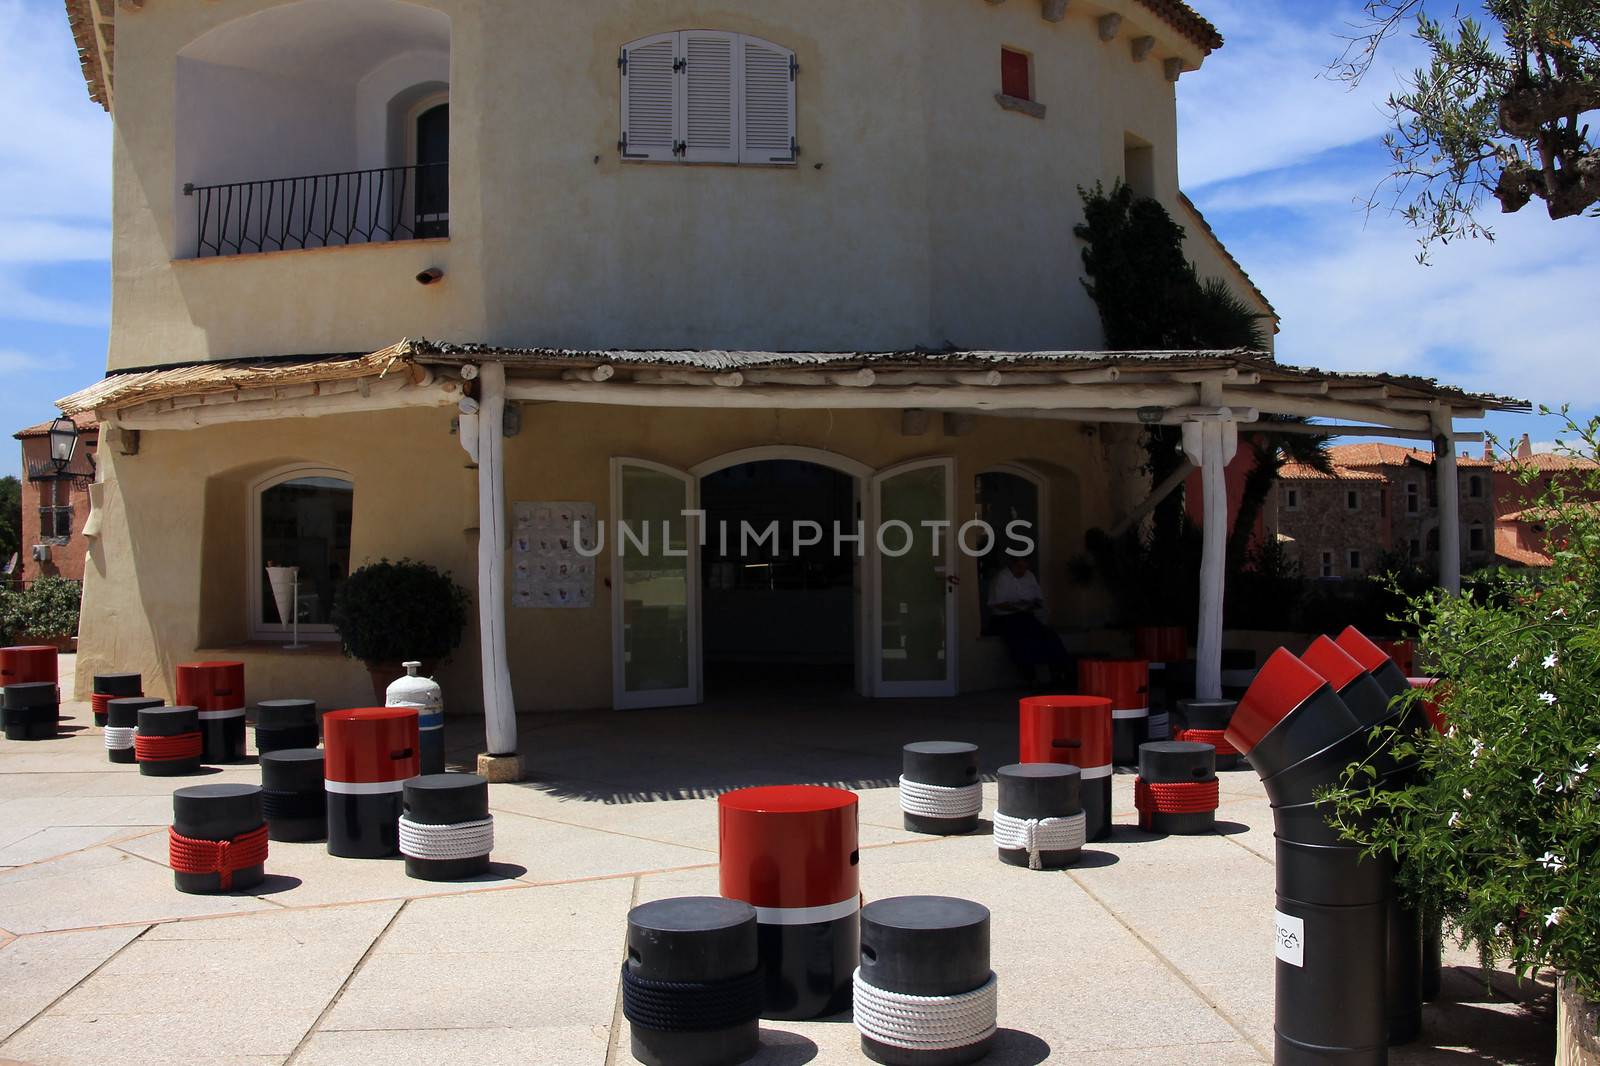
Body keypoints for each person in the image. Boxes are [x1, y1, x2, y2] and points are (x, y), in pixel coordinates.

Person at [988, 557, 1075, 686]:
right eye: (1019, 567)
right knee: (1021, 639)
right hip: (1005, 617)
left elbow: (1039, 600)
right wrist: (1015, 606)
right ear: (1012, 565)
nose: (1022, 571)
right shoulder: (1002, 578)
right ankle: (1031, 678)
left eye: (1024, 567)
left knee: (1050, 636)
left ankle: (1061, 673)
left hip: (1026, 615)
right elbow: (996, 604)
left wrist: (1029, 604)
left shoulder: (1029, 576)